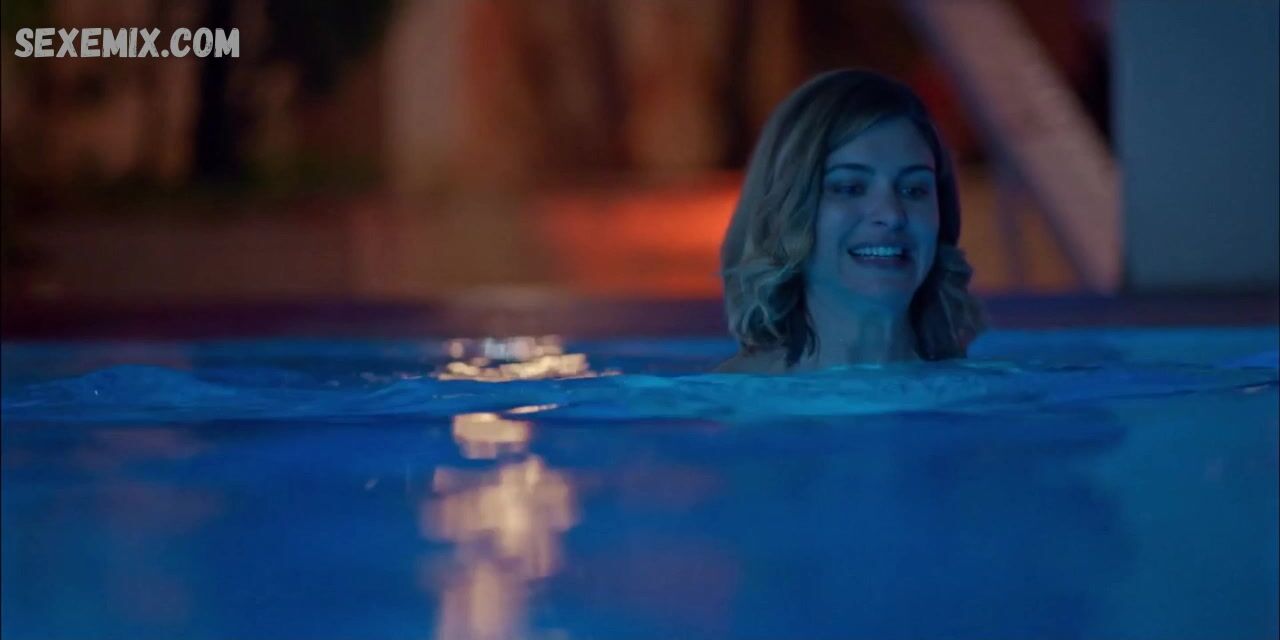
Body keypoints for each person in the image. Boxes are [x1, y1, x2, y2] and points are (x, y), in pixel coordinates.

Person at [715, 69, 985, 374]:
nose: (892, 215)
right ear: (787, 210)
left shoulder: (992, 392)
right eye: (850, 188)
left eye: (913, 190)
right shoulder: (725, 398)